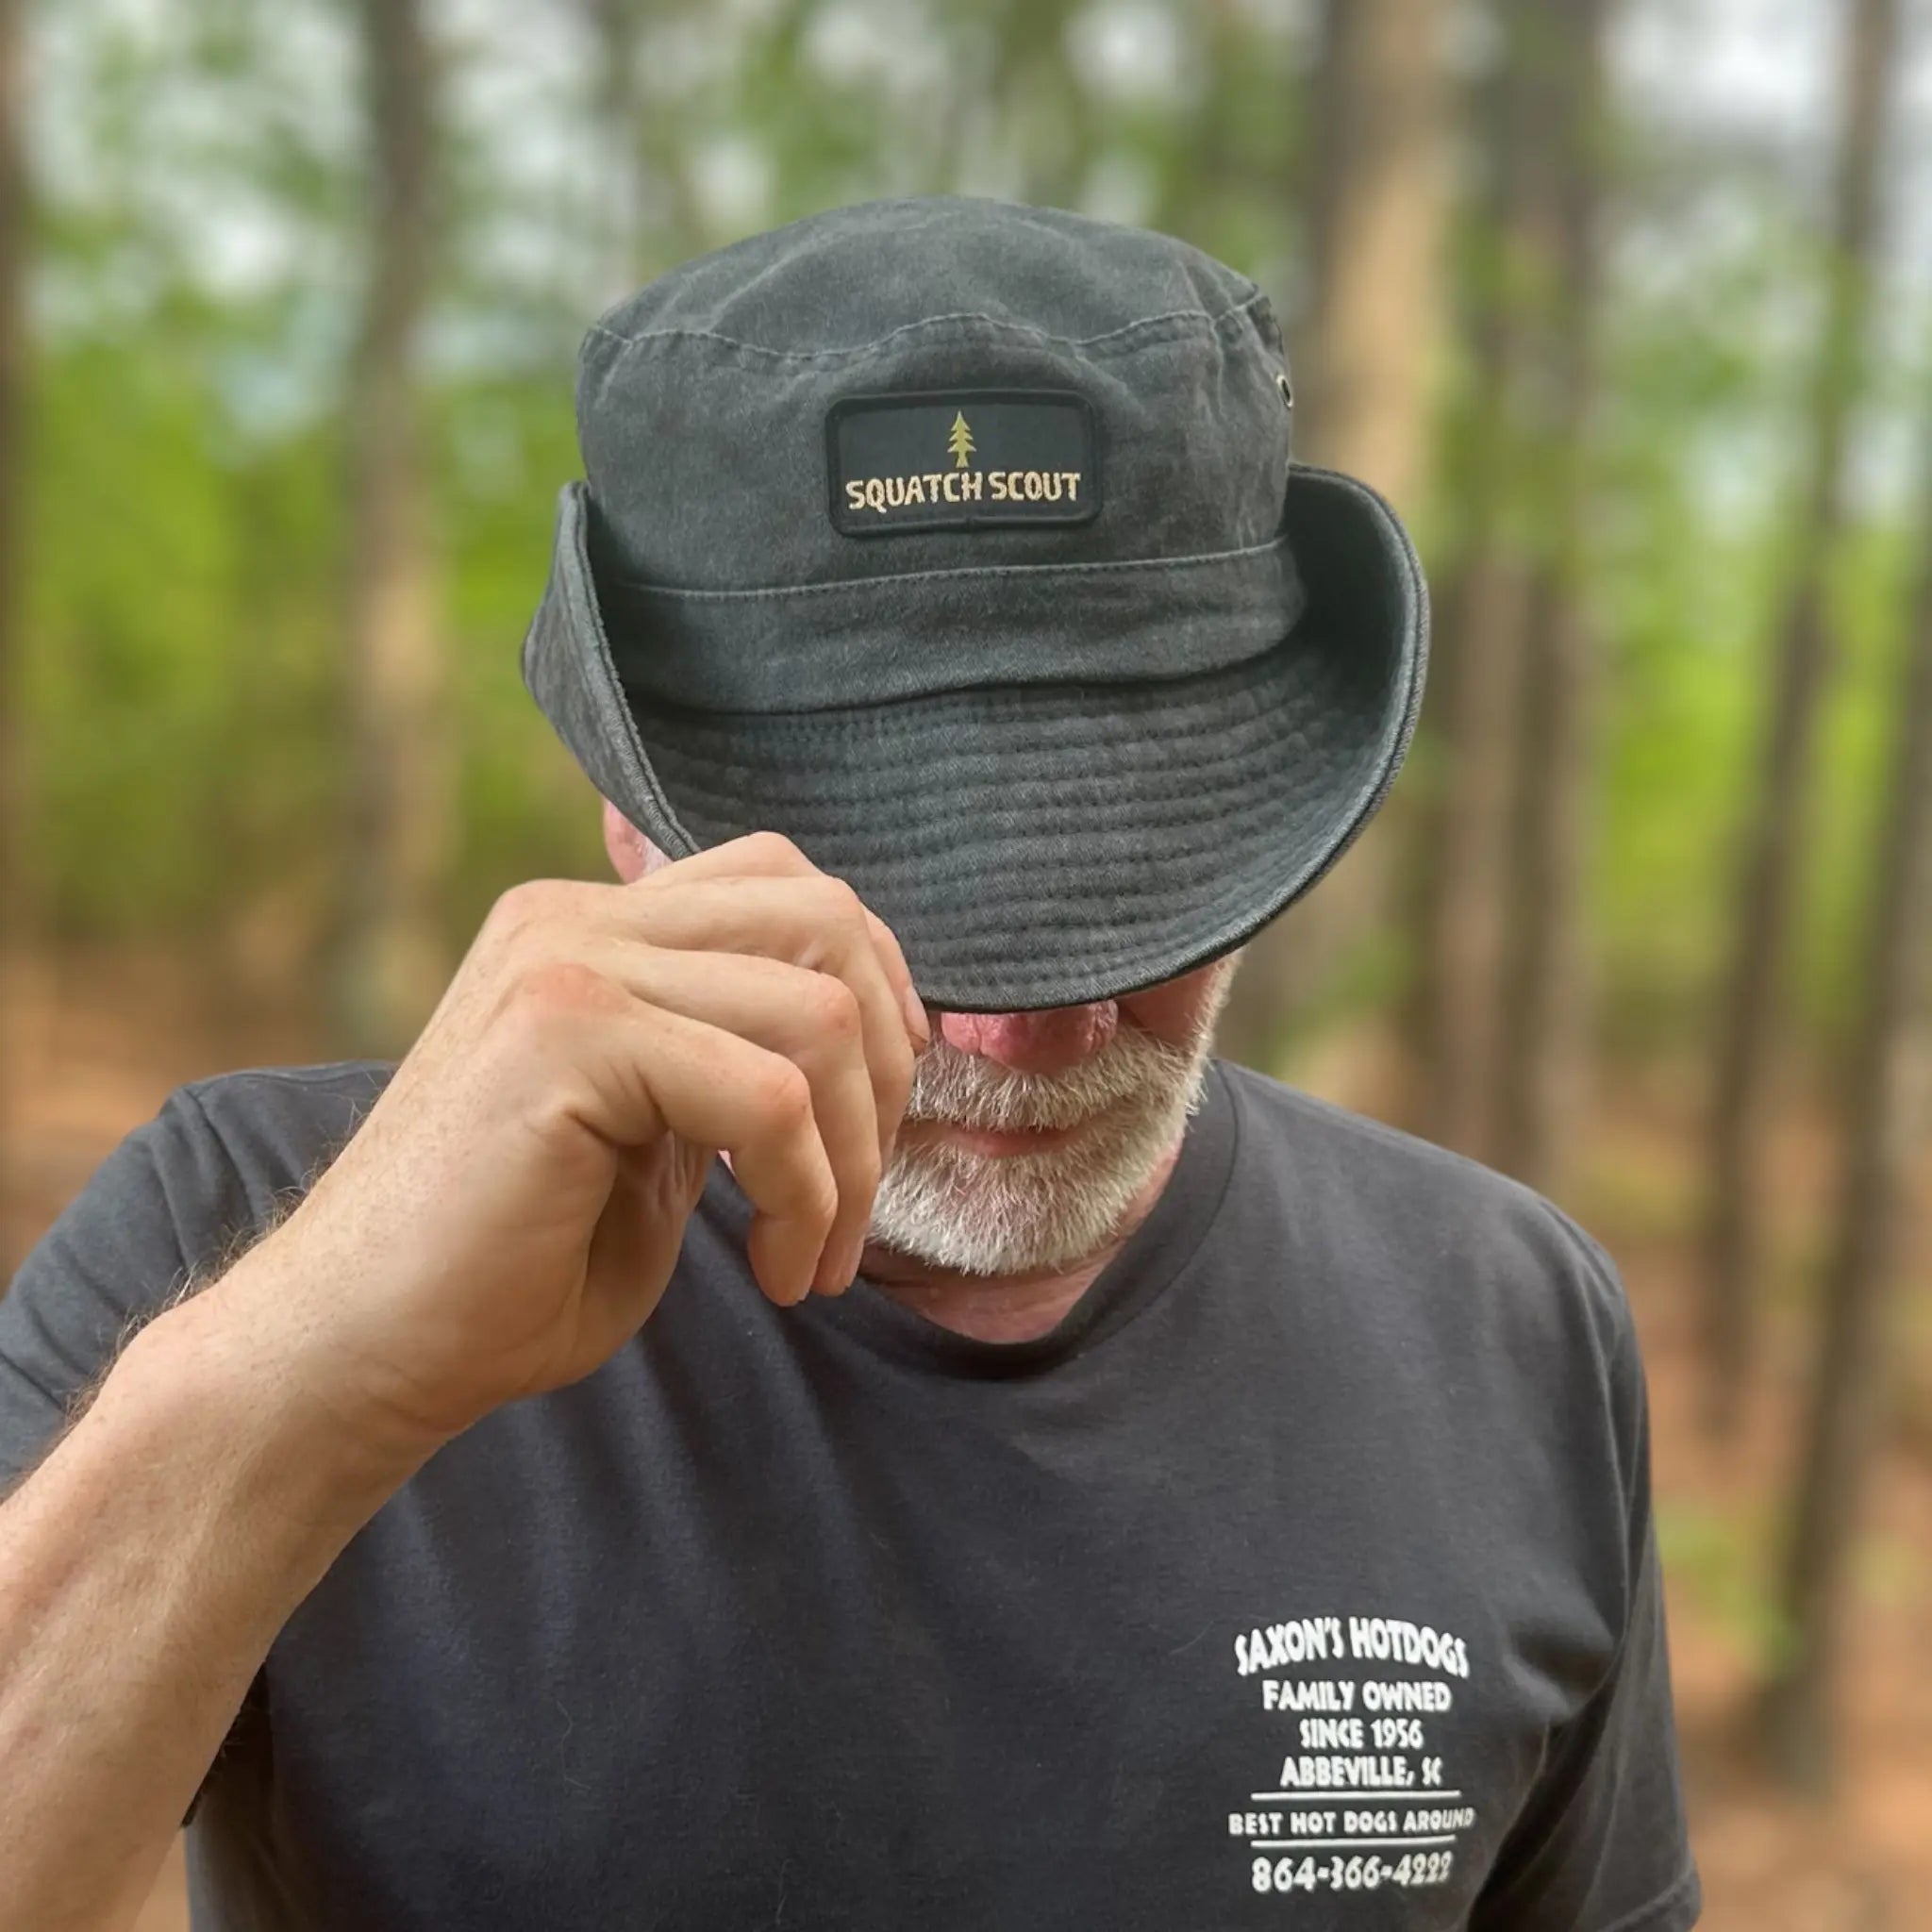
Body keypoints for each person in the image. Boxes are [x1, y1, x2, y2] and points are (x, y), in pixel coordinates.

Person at [0, 197, 1700, 1931]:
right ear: (626, 824)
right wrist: (303, 1378)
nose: (1022, 1027)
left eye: (1136, 875)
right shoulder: (232, 1238)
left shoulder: (1510, 1323)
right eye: (887, 886)